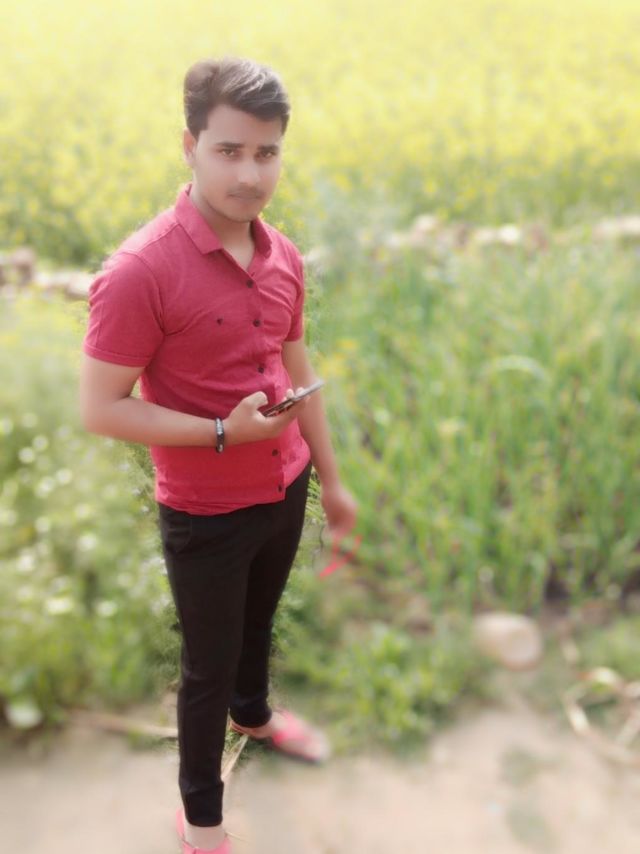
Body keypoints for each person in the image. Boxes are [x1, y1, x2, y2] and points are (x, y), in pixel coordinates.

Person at [80, 57, 357, 854]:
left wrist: (332, 480)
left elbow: (299, 368)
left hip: (285, 486)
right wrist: (223, 433)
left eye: (266, 153)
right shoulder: (139, 272)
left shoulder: (284, 256)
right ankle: (202, 819)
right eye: (229, 150)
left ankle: (256, 716)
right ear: (190, 145)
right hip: (205, 510)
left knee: (258, 623)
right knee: (207, 666)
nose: (249, 174)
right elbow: (100, 408)